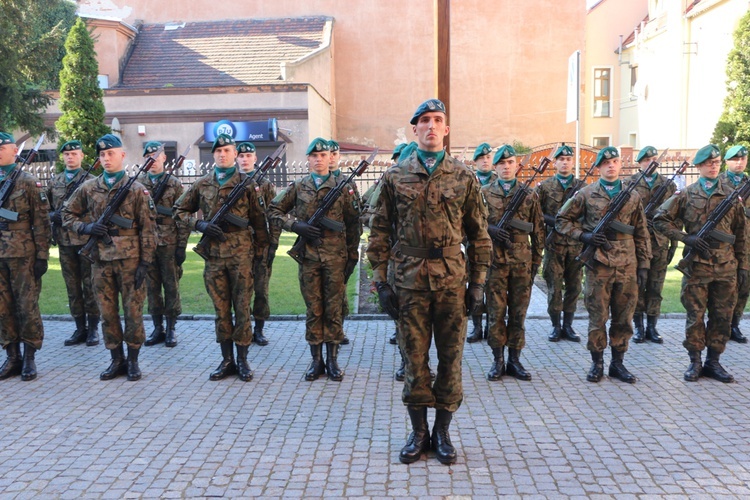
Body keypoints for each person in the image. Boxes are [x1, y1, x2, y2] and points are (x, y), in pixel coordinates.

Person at [367, 99, 491, 465]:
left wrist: (478, 285)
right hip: (409, 283)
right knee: (414, 360)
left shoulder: (464, 176)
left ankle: (443, 432)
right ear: (415, 130)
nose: (432, 126)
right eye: (424, 121)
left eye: (438, 120)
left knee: (451, 361)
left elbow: (479, 236)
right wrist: (381, 283)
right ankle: (419, 431)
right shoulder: (394, 177)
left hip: (452, 282)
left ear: (447, 129)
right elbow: (378, 235)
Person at [173, 134, 269, 382]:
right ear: (213, 155)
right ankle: (226, 360)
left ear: (235, 154)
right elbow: (179, 211)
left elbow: (260, 225)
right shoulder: (203, 184)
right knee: (221, 310)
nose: (222, 154)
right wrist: (200, 224)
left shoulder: (248, 184)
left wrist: (260, 258)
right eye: (218, 151)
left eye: (227, 150)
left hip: (241, 257)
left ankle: (243, 360)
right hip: (214, 256)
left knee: (242, 309)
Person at [62, 133, 156, 381]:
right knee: (108, 313)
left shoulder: (137, 190)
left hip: (131, 261)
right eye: (102, 155)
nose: (106, 158)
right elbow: (67, 215)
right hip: (101, 261)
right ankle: (116, 359)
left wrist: (145, 263)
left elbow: (148, 229)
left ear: (122, 155)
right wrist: (86, 228)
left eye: (110, 153)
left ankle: (133, 361)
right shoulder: (88, 187)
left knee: (133, 312)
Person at [268, 138, 361, 381]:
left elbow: (353, 224)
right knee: (314, 309)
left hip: (335, 257)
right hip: (309, 256)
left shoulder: (343, 186)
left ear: (331, 158)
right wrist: (296, 225)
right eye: (314, 156)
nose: (319, 159)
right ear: (308, 159)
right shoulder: (298, 186)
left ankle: (332, 360)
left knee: (333, 308)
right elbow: (274, 211)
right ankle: (316, 360)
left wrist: (352, 255)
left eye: (323, 155)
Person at [556, 146, 651, 384]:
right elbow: (561, 220)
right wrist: (584, 236)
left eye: (615, 162)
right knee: (597, 317)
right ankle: (596, 363)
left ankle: (617, 364)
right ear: (599, 167)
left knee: (624, 317)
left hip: (628, 264)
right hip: (599, 264)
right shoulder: (586, 194)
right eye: (606, 163)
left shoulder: (633, 195)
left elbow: (641, 232)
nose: (611, 166)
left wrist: (644, 264)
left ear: (620, 165)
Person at [654, 144, 747, 383]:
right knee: (695, 316)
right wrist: (687, 238)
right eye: (708, 163)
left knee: (722, 316)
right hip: (697, 266)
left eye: (716, 163)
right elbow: (660, 219)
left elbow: (741, 234)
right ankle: (695, 361)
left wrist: (743, 266)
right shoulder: (686, 194)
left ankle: (713, 362)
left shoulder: (731, 194)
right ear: (699, 167)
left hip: (726, 267)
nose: (713, 166)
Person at [482, 144, 544, 381]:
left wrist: (536, 262)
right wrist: (491, 230)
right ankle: (498, 361)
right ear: (495, 167)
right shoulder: (484, 193)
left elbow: (538, 231)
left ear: (516, 166)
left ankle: (514, 360)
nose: (506, 167)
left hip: (521, 263)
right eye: (501, 163)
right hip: (495, 262)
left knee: (519, 314)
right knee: (496, 313)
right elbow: (472, 227)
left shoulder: (529, 194)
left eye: (510, 163)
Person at [0, 132, 50, 381]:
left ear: (13, 151)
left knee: (26, 306)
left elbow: (41, 222)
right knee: (2, 307)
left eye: (2, 147)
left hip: (22, 253)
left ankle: (30, 356)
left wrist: (42, 256)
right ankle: (12, 356)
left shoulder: (27, 181)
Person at [47, 140, 99, 347]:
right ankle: (79, 328)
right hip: (65, 241)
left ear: (82, 156)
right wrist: (54, 216)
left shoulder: (92, 181)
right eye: (66, 154)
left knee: (90, 284)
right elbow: (46, 208)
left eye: (74, 154)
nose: (70, 157)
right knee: (72, 287)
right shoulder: (55, 181)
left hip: (85, 240)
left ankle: (93, 329)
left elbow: (98, 211)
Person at [138, 142, 190, 348]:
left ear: (164, 158)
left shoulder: (174, 184)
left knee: (171, 285)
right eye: (148, 157)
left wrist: (181, 246)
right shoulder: (138, 184)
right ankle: (157, 327)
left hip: (169, 243)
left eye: (155, 156)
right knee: (151, 287)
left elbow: (183, 216)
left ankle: (171, 328)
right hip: (146, 243)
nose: (152, 160)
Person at [628, 146, 678, 344]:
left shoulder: (668, 185)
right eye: (646, 160)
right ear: (640, 163)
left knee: (656, 287)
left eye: (654, 159)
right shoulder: (629, 184)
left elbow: (675, 216)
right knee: (638, 286)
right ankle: (638, 327)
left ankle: (652, 327)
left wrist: (674, 243)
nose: (651, 163)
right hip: (637, 243)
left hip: (659, 242)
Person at [535, 144, 583, 343]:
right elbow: (537, 215)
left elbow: (588, 215)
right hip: (553, 244)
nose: (565, 162)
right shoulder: (545, 187)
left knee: (574, 286)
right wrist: (555, 222)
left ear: (572, 163)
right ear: (555, 163)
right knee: (554, 287)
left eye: (568, 159)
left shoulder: (582, 187)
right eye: (561, 159)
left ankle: (568, 326)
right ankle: (555, 325)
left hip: (575, 245)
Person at [236, 141, 278, 346]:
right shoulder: (231, 182)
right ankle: (244, 328)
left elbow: (275, 215)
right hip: (238, 247)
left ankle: (259, 329)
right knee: (241, 291)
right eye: (241, 156)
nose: (244, 159)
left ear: (255, 158)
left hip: (261, 245)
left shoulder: (266, 184)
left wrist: (274, 244)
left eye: (248, 156)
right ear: (237, 158)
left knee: (261, 290)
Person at [328, 139, 360, 345]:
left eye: (333, 153)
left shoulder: (347, 183)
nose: (330, 157)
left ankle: (337, 330)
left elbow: (355, 219)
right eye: (326, 154)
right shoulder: (308, 183)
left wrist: (353, 249)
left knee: (339, 291)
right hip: (317, 248)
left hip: (341, 247)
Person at [718, 145, 749, 343]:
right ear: (727, 161)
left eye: (743, 159)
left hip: (747, 243)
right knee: (723, 286)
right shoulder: (718, 183)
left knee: (744, 285)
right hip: (725, 242)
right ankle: (720, 324)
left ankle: (734, 324)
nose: (739, 162)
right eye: (735, 159)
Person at [466, 142, 495, 343]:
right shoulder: (470, 181)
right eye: (481, 158)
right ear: (475, 162)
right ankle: (476, 327)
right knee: (476, 286)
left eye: (488, 157)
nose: (485, 161)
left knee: (493, 288)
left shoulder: (499, 181)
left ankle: (490, 327)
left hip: (496, 246)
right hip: (474, 244)